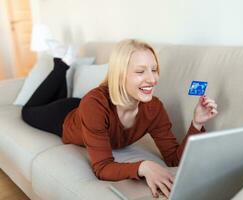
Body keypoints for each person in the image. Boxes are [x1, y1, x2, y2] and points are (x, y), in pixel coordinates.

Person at [22, 39, 218, 198]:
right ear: (119, 75)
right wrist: (144, 166)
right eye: (140, 71)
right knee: (28, 111)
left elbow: (174, 160)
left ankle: (61, 66)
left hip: (88, 110)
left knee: (62, 99)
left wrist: (197, 123)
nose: (152, 79)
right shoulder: (95, 104)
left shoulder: (154, 108)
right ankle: (61, 63)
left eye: (154, 69)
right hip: (66, 116)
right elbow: (102, 167)